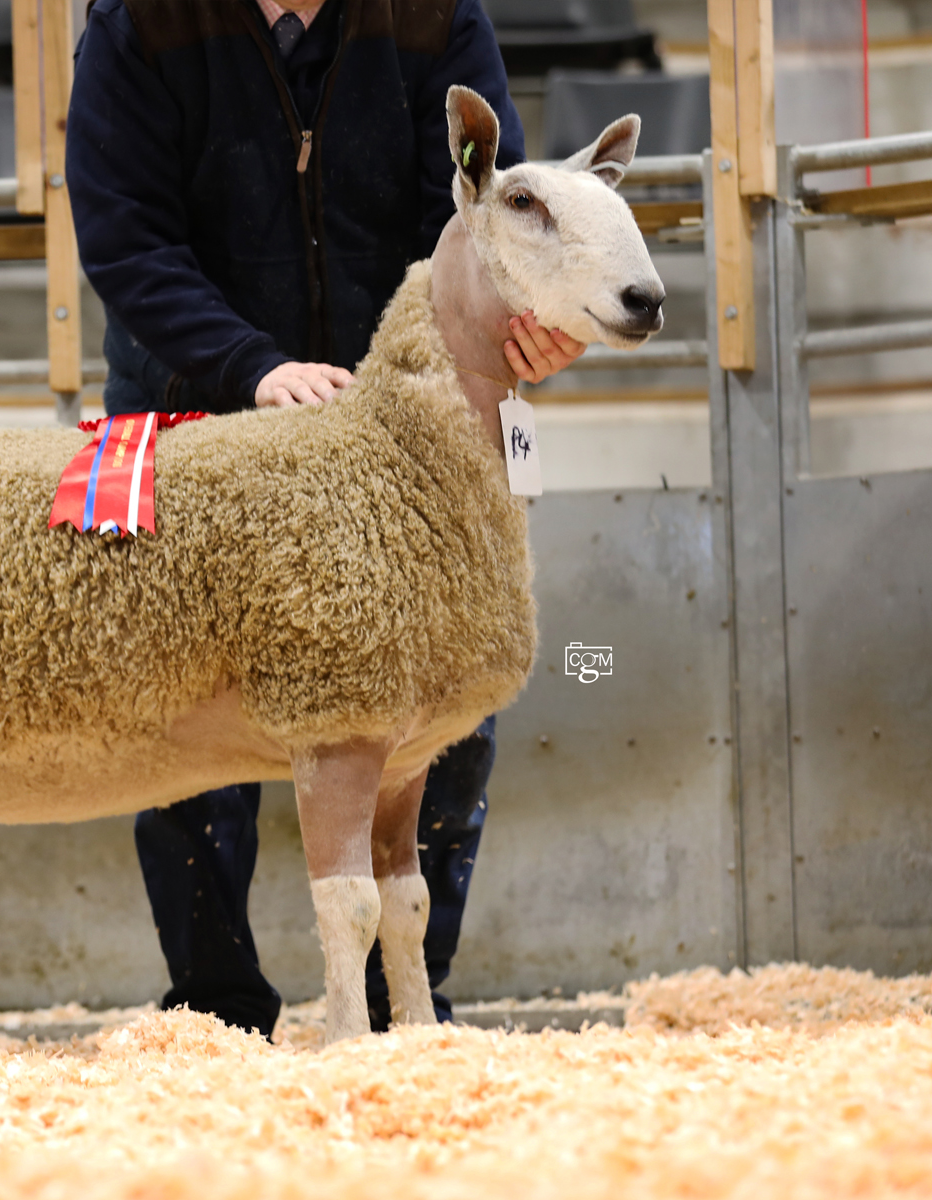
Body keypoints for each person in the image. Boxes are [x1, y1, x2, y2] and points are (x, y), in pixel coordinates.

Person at [66, 0, 586, 1037]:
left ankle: (408, 994)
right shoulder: (140, 23)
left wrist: (531, 330)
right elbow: (125, 238)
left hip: (394, 426)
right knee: (181, 716)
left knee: (444, 701)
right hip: (198, 410)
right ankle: (215, 1012)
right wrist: (250, 366)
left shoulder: (435, 15)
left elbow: (491, 217)